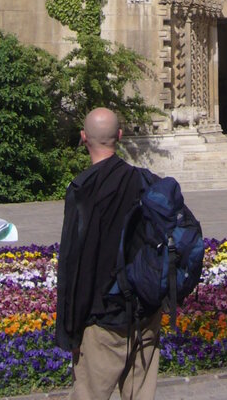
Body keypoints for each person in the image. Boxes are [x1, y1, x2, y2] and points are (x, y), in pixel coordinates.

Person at [56, 108, 161, 400]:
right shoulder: (146, 181)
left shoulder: (82, 190)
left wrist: (71, 331)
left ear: (83, 138)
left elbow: (74, 265)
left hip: (103, 321)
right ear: (119, 136)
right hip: (145, 317)